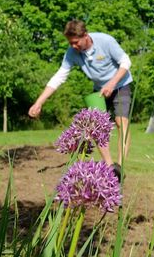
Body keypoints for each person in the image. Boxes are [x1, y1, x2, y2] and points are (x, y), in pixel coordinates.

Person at [28, 20, 132, 179]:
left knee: (120, 121)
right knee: (97, 126)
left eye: (75, 42)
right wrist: (39, 102)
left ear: (85, 35)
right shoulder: (72, 52)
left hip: (120, 84)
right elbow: (59, 76)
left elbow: (126, 61)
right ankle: (111, 168)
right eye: (70, 43)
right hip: (99, 90)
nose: (73, 46)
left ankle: (121, 164)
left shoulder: (105, 40)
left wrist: (112, 83)